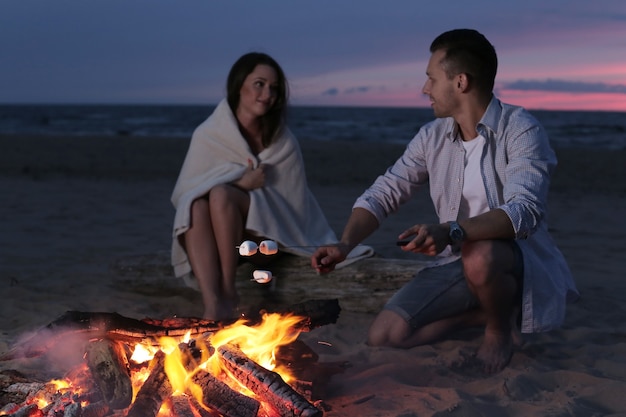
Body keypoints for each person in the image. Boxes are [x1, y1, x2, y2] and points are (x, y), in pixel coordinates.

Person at [311, 29, 579, 373]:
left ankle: (498, 330)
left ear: (461, 82)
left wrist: (451, 230)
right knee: (385, 335)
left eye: (431, 78)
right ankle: (485, 311)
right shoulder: (432, 136)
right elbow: (386, 190)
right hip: (456, 259)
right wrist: (345, 244)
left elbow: (524, 213)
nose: (425, 89)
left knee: (481, 253)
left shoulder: (521, 129)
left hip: (511, 260)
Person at [171, 52, 372, 321]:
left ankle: (229, 291)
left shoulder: (282, 142)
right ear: (238, 85)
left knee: (220, 194)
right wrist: (243, 182)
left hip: (264, 240)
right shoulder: (209, 135)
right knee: (195, 204)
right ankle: (213, 302)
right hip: (214, 237)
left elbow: (290, 202)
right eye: (259, 84)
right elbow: (186, 190)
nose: (267, 94)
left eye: (274, 88)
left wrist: (238, 188)